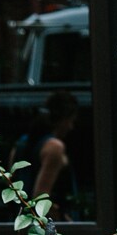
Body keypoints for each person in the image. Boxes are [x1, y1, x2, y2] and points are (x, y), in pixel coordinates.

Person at [11, 89, 80, 220]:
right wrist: (67, 223)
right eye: (71, 121)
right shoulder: (54, 148)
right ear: (63, 119)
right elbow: (40, 198)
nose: (71, 127)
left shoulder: (20, 144)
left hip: (21, 221)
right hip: (48, 228)